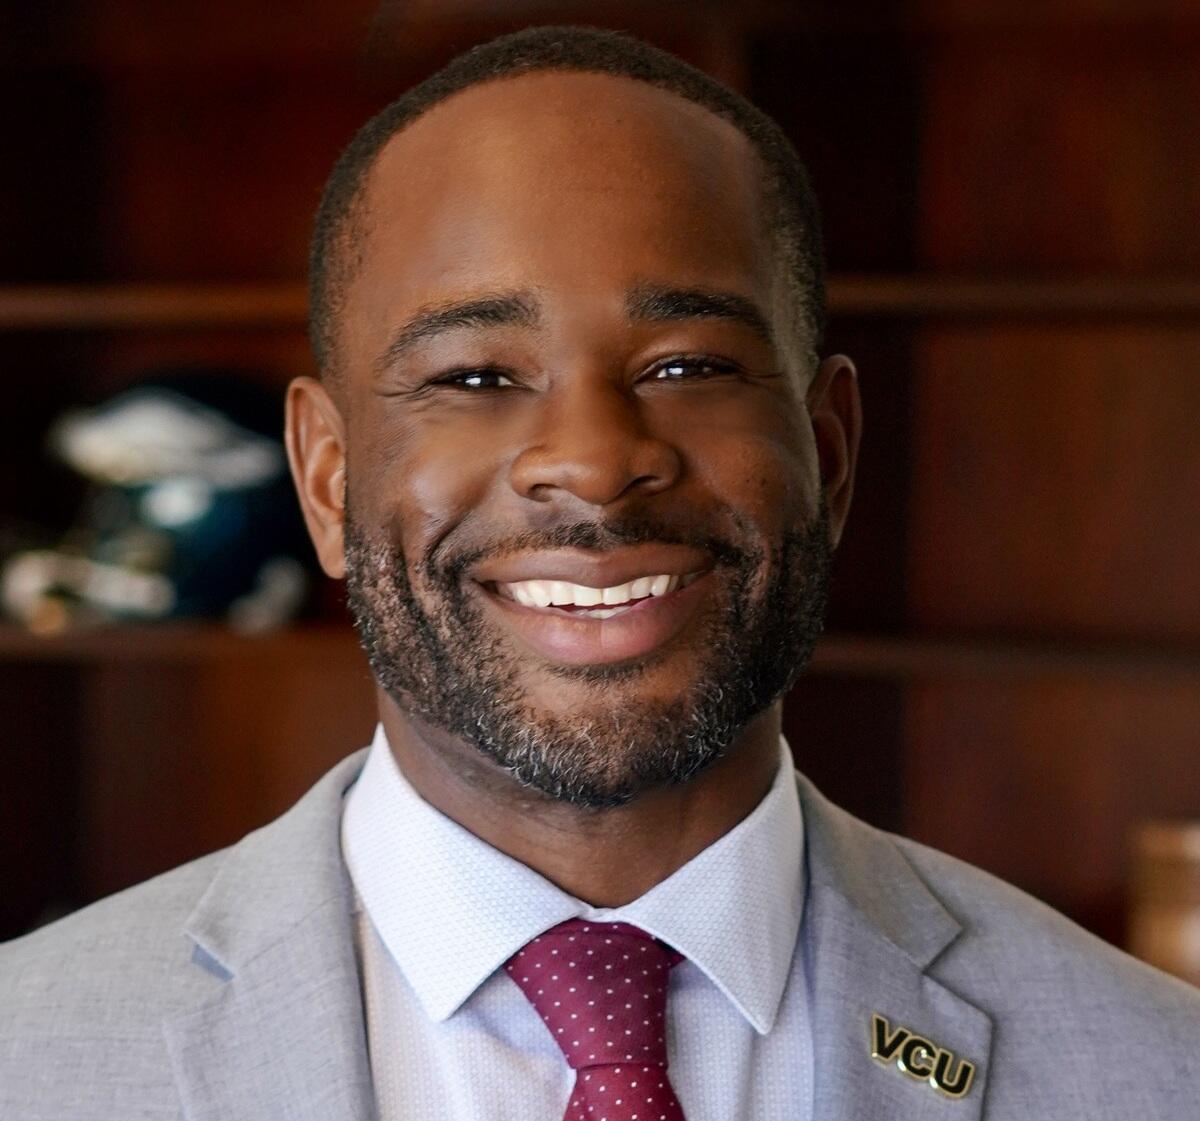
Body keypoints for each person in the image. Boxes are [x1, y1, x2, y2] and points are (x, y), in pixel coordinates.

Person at [2, 25, 1198, 1121]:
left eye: (687, 364)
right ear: (325, 481)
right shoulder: (29, 1054)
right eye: (474, 376)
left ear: (829, 455)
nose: (591, 458)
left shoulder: (1154, 1071)